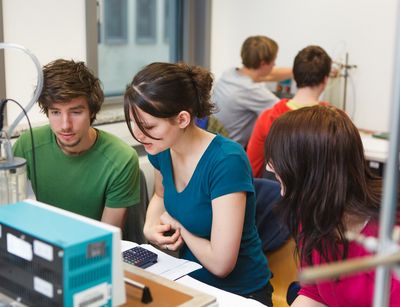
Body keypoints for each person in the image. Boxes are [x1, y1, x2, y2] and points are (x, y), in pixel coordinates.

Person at [124, 62, 272, 305]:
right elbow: (160, 196)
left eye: (148, 127)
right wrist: (150, 225)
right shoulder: (162, 148)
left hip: (241, 294)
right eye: (135, 125)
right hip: (189, 283)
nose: (139, 135)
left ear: (182, 119)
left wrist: (178, 225)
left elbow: (221, 264)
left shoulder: (226, 161)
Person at [264, 105, 400, 306]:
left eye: (281, 176)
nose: (283, 192)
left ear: (312, 176)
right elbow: (314, 292)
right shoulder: (314, 213)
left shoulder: (389, 236)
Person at [13, 59, 140, 228]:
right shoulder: (28, 144)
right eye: (56, 112)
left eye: (76, 112)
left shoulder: (121, 159)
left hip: (90, 249)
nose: (65, 125)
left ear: (92, 111)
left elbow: (107, 238)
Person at [247, 45, 332, 177]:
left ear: (295, 76)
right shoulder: (336, 119)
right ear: (326, 79)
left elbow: (252, 170)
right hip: (322, 196)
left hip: (276, 196)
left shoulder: (268, 118)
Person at [213, 35, 292, 148]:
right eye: (273, 61)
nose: (274, 65)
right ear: (263, 64)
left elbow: (269, 75)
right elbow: (287, 114)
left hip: (213, 143)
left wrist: (295, 71)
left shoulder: (230, 73)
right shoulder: (251, 90)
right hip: (230, 152)